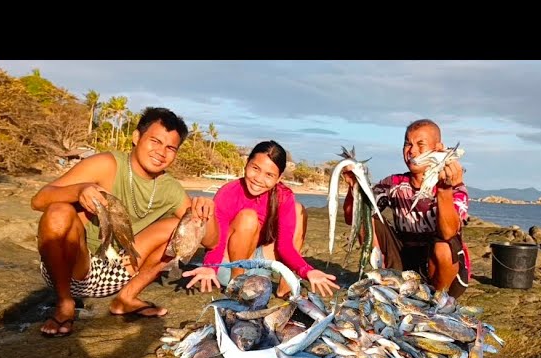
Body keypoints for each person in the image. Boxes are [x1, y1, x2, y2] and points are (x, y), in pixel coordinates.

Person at [31, 107, 218, 337]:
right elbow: (39, 200)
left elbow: (210, 241)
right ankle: (65, 303)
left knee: (176, 227)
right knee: (57, 211)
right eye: (155, 141)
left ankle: (126, 299)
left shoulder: (170, 188)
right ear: (136, 137)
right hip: (71, 269)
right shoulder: (107, 164)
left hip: (118, 273)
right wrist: (79, 190)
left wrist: (205, 213)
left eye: (170, 148)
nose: (161, 152)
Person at [182, 140, 340, 298]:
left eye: (269, 175)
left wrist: (307, 271)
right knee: (248, 217)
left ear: (278, 178)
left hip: (260, 263)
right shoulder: (229, 192)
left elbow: (285, 246)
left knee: (299, 210)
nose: (258, 178)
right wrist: (210, 267)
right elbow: (218, 240)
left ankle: (285, 287)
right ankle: (237, 284)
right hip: (228, 265)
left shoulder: (283, 196)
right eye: (255, 168)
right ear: (246, 164)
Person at [343, 118, 470, 298]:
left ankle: (438, 300)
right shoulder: (393, 183)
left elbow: (449, 233)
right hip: (404, 262)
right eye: (407, 144)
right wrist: (354, 187)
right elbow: (352, 219)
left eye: (420, 144)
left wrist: (444, 189)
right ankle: (385, 282)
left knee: (444, 245)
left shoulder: (455, 187)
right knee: (367, 220)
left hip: (446, 273)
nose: (412, 151)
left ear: (438, 148)